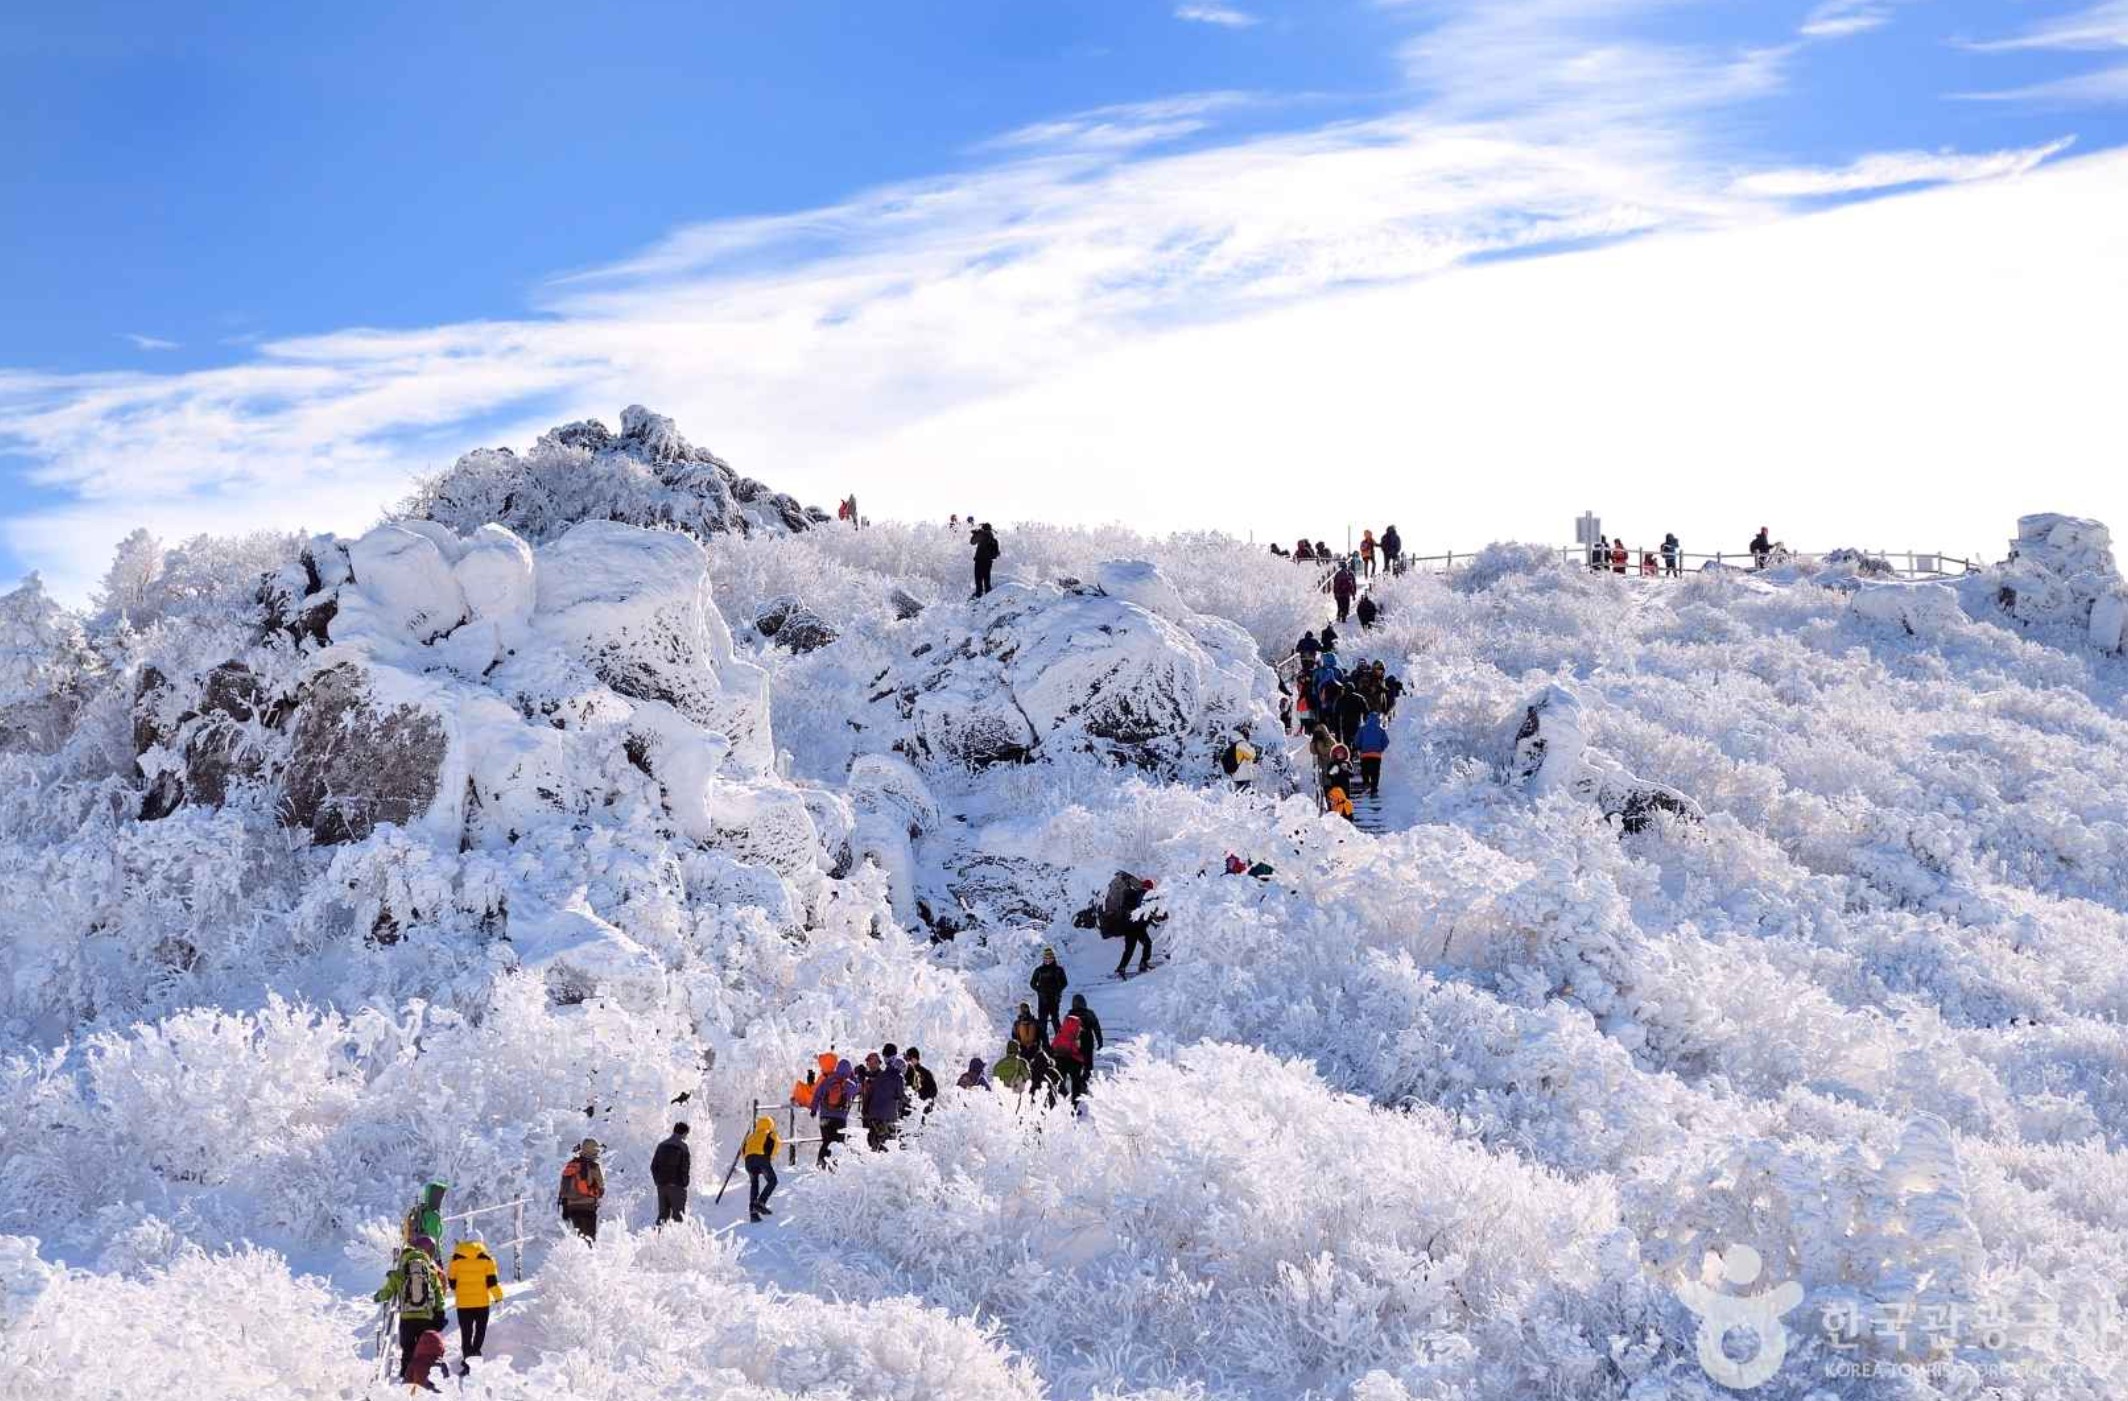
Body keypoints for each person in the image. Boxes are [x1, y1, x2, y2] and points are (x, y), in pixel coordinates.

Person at [375, 1237, 447, 1382]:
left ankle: (405, 1376)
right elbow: (439, 1293)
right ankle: (424, 1377)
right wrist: (440, 1311)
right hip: (426, 1317)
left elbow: (388, 1291)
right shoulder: (430, 1270)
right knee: (423, 1348)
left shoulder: (402, 1270)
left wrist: (378, 1296)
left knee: (408, 1348)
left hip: (407, 1317)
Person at [445, 1239, 503, 1374]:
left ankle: (467, 1362)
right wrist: (499, 1298)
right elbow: (492, 1283)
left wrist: (460, 1291)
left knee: (466, 1334)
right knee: (480, 1331)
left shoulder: (456, 1258)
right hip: (482, 1303)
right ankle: (475, 1357)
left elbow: (452, 1281)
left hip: (463, 1304)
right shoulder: (487, 1259)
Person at [1052, 994, 1106, 1102]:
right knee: (1088, 1066)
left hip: (1073, 1046)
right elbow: (1097, 1028)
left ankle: (1067, 1091)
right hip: (1087, 1043)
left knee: (1074, 1067)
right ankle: (1082, 1084)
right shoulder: (1090, 1013)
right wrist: (1100, 1042)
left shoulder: (1070, 1015)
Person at [1108, 875, 1161, 979]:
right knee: (1146, 944)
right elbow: (1147, 912)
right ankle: (1141, 964)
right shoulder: (1144, 896)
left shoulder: (1137, 895)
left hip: (1132, 927)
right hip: (1136, 927)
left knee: (1131, 948)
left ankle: (1123, 967)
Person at [811, 1057, 858, 1166]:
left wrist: (814, 1109)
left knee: (826, 1140)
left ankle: (821, 1161)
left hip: (824, 1117)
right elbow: (857, 1089)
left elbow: (817, 1095)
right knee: (838, 1142)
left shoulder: (827, 1081)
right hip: (839, 1118)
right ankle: (834, 1165)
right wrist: (854, 1077)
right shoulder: (848, 1084)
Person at [557, 1140, 604, 1241]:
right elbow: (600, 1190)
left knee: (576, 1239)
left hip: (570, 1208)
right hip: (587, 1208)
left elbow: (563, 1187)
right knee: (589, 1239)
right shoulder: (593, 1167)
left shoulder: (571, 1165)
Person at [862, 1049, 906, 1150]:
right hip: (887, 1117)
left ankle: (872, 1162)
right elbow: (901, 1096)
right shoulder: (898, 1077)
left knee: (874, 1144)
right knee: (887, 1145)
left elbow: (869, 1094)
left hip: (873, 1116)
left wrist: (865, 1112)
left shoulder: (880, 1076)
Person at [650, 1122, 691, 1225]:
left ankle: (657, 1239)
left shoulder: (661, 1145)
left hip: (662, 1187)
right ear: (684, 1133)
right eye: (686, 1134)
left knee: (662, 1216)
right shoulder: (683, 1147)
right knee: (678, 1217)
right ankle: (677, 1240)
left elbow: (653, 1166)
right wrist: (684, 1183)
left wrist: (658, 1182)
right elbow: (685, 1168)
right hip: (677, 1187)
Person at [742, 1115, 780, 1222]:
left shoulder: (751, 1136)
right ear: (770, 1125)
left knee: (754, 1184)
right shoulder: (770, 1134)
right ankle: (761, 1202)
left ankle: (753, 1214)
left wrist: (748, 1158)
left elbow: (743, 1149)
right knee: (772, 1181)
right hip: (762, 1158)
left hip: (748, 1161)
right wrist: (769, 1157)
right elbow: (776, 1145)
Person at [1030, 947, 1069, 1039]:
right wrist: (1038, 989)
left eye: (1050, 958)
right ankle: (1043, 1041)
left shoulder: (1059, 969)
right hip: (1043, 999)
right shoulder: (1039, 970)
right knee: (1042, 1021)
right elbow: (1032, 983)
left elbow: (1065, 982)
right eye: (1046, 958)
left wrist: (1058, 990)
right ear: (1043, 959)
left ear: (1053, 958)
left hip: (1054, 998)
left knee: (1055, 1019)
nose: (1048, 960)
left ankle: (1060, 1039)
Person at [401, 1181, 447, 1255]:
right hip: (427, 1249)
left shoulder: (421, 1210)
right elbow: (435, 1234)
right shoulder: (433, 1215)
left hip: (413, 1247)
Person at [1355, 712, 1389, 795]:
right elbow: (1386, 741)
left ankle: (1366, 783)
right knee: (1375, 773)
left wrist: (1359, 748)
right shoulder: (1381, 730)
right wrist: (1381, 748)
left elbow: (1357, 741)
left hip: (1365, 754)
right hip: (1376, 755)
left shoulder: (1362, 729)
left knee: (1365, 770)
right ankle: (1374, 789)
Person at [971, 522, 1001, 598]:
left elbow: (972, 542)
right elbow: (997, 553)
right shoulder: (993, 539)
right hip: (988, 562)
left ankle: (979, 599)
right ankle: (988, 599)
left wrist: (975, 534)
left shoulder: (982, 535)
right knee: (987, 581)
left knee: (978, 582)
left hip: (980, 561)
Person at [1336, 684, 1368, 749]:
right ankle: (1355, 752)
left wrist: (1336, 727)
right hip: (1356, 723)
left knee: (1346, 741)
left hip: (1345, 724)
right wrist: (1366, 721)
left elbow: (1336, 714)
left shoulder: (1341, 699)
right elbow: (1366, 711)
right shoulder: (1360, 698)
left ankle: (1349, 754)